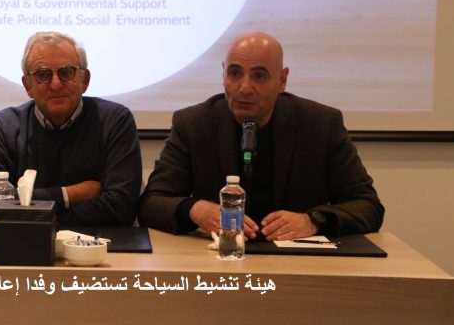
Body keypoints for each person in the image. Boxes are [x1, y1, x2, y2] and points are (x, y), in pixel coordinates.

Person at [139, 32, 384, 240]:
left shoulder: (320, 125)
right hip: (219, 261)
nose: (244, 87)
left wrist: (313, 221)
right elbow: (152, 203)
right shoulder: (194, 124)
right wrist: (196, 210)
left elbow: (368, 206)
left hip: (298, 264)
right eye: (235, 73)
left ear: (282, 80)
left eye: (259, 76)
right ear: (223, 74)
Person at [0, 31, 142, 226]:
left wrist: (34, 217)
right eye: (43, 75)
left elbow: (121, 208)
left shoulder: (115, 121)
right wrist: (70, 194)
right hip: (23, 243)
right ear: (28, 86)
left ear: (85, 80)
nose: (56, 84)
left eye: (66, 72)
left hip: (96, 243)